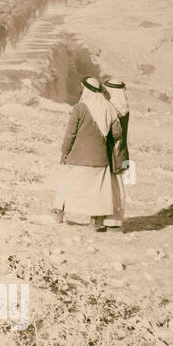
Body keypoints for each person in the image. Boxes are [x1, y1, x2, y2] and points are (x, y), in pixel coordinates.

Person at [53, 76, 123, 231]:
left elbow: (70, 133)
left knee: (67, 184)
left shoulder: (80, 108)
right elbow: (117, 133)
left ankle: (59, 213)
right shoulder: (109, 108)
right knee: (99, 190)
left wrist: (65, 152)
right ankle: (97, 222)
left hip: (77, 158)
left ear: (87, 90)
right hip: (100, 158)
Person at [105, 79, 131, 230]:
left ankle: (111, 220)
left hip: (112, 151)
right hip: (121, 152)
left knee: (111, 185)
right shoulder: (124, 108)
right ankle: (115, 219)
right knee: (118, 186)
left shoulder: (113, 109)